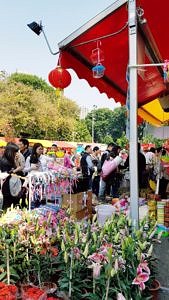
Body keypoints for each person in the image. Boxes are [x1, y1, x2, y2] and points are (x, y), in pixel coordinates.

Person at [0, 143, 21, 209]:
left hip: (11, 184)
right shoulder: (4, 161)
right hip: (7, 186)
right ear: (10, 152)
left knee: (11, 204)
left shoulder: (10, 160)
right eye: (16, 152)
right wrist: (10, 171)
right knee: (7, 204)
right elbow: (4, 175)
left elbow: (17, 169)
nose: (17, 153)